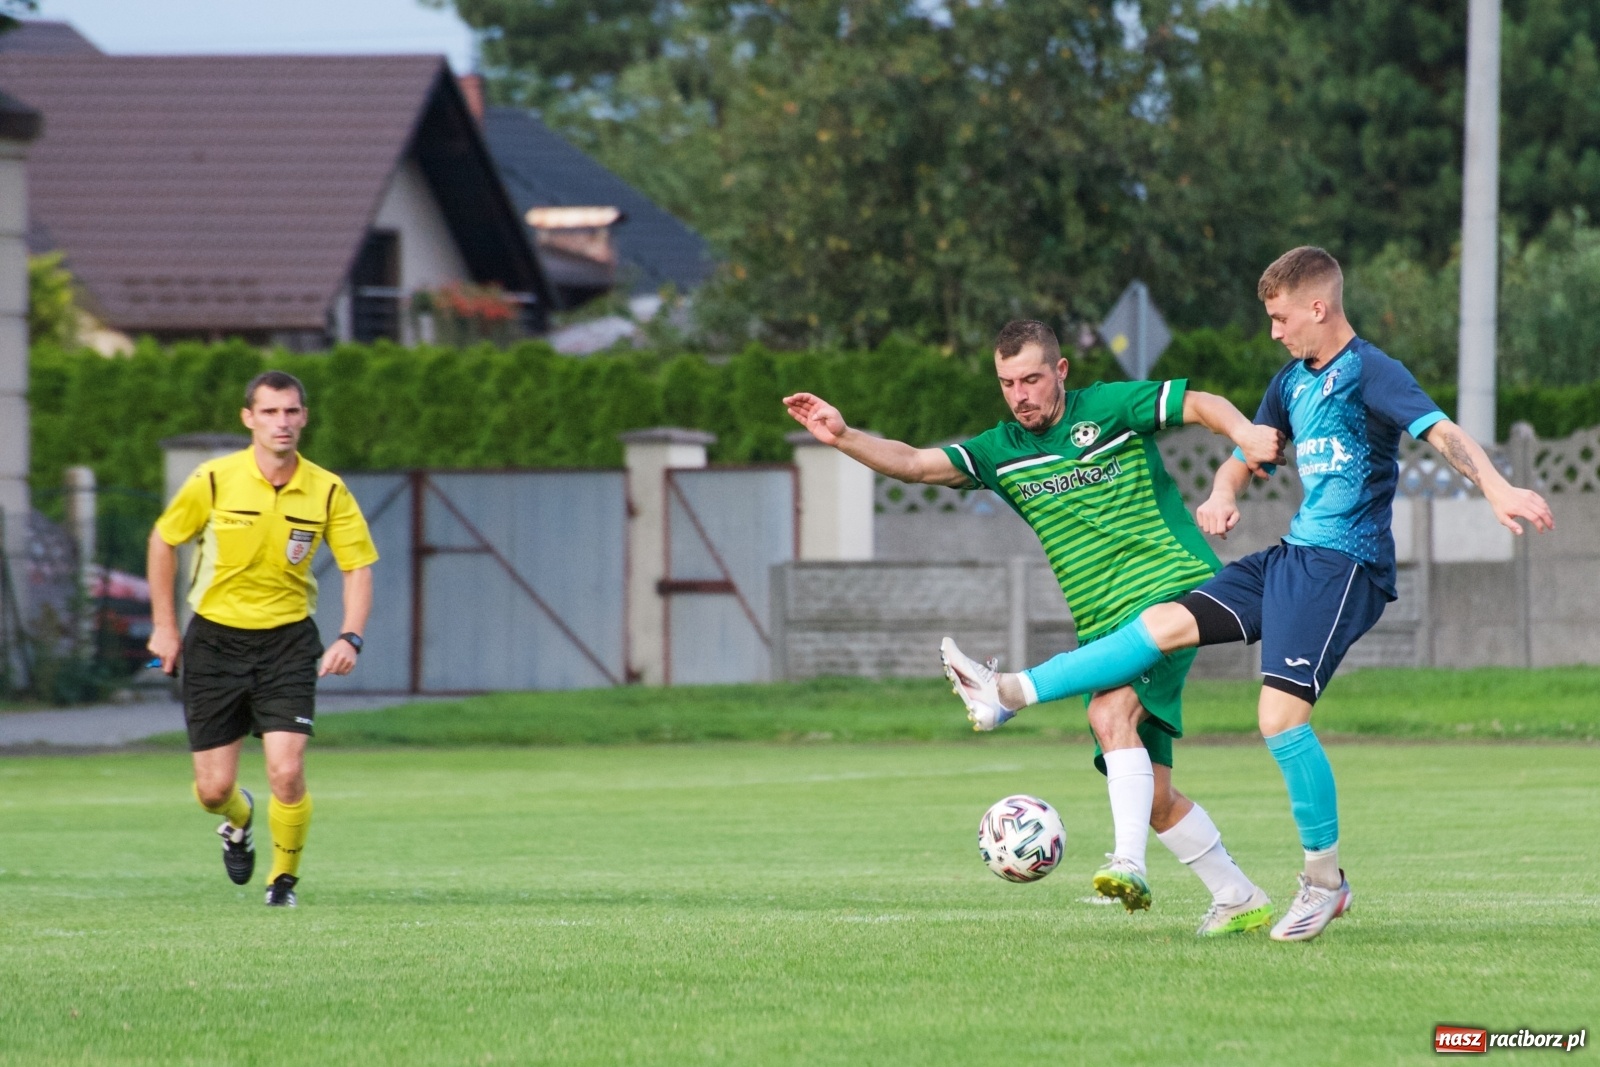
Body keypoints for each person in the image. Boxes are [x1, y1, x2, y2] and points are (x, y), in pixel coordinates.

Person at [942, 247, 1555, 942]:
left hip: (1346, 566)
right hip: (1293, 557)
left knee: (1277, 717)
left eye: (1280, 316)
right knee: (1163, 623)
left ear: (1318, 308)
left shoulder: (1371, 372)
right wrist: (1221, 491)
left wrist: (1498, 486)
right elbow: (1248, 450)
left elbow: (1438, 429)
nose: (1274, 331)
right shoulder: (1292, 382)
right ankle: (1007, 692)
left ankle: (1324, 883)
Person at [784, 319, 1288, 935]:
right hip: (1103, 625)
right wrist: (843, 437)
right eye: (1006, 384)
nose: (1020, 395)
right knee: (1152, 794)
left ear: (1061, 371)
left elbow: (1199, 404)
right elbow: (916, 464)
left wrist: (1243, 431)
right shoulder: (1000, 450)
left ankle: (1125, 862)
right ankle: (1237, 896)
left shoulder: (1106, 407)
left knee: (1109, 717)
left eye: (1030, 379)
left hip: (1171, 591)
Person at [147, 371, 378, 908]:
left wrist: (351, 636)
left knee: (288, 769)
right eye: (270, 412)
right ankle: (238, 820)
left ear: (304, 417)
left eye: (292, 411)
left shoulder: (327, 489)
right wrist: (164, 625)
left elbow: (359, 566)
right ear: (248, 419)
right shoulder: (213, 478)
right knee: (211, 792)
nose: (283, 422)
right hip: (215, 642)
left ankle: (283, 882)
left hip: (287, 643)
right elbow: (164, 541)